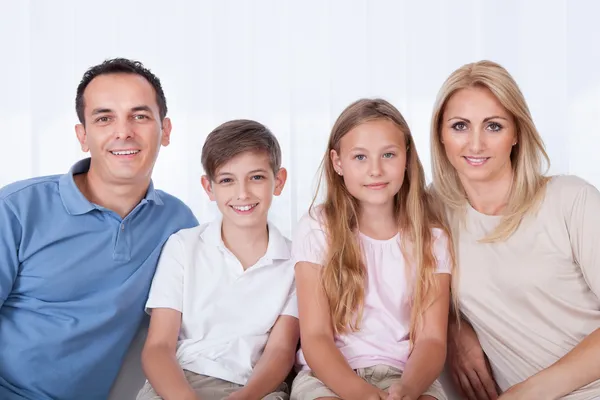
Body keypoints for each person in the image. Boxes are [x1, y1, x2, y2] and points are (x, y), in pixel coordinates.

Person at [0, 58, 198, 400]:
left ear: (165, 131)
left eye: (140, 116)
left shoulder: (177, 223)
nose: (124, 131)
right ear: (83, 135)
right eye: (104, 118)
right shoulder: (16, 209)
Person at [430, 60, 600, 400]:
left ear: (516, 134)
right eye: (460, 126)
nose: (475, 144)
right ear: (441, 136)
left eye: (493, 126)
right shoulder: (432, 210)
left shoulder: (570, 199)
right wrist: (452, 327)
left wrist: (525, 394)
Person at [290, 98, 454, 400]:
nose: (375, 170)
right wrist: (359, 393)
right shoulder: (317, 228)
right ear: (338, 163)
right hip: (329, 377)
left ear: (406, 157)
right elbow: (315, 337)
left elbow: (431, 339)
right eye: (360, 157)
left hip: (407, 375)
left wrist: (407, 389)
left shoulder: (432, 238)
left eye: (388, 155)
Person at [137, 119, 299, 400]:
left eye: (257, 177)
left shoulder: (296, 262)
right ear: (209, 187)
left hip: (255, 388)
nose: (243, 193)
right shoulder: (183, 247)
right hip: (181, 382)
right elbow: (158, 347)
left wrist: (243, 397)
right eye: (227, 180)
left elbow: (280, 351)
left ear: (279, 181)